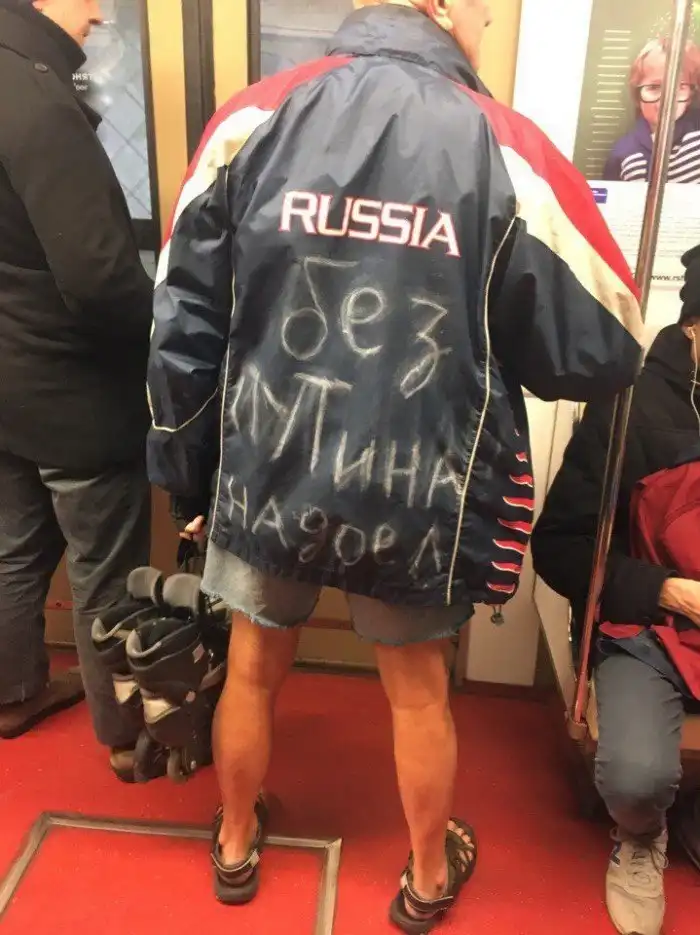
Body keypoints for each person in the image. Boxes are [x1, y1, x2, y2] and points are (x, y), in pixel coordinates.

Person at [147, 0, 643, 928]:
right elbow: (606, 338)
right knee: (418, 694)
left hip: (271, 463)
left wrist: (187, 469)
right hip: (419, 481)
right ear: (444, 7)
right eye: (485, 13)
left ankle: (237, 840)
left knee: (252, 665)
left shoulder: (252, 117)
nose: (486, 28)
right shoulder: (504, 146)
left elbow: (183, 315)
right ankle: (425, 874)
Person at [0, 0, 153, 780]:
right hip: (74, 393)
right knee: (107, 569)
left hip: (8, 381)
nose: (99, 15)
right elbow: (98, 277)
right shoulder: (36, 96)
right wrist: (165, 339)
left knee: (12, 549)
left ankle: (13, 690)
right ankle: (127, 733)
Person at [531, 246, 700, 935]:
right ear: (694, 326)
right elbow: (560, 546)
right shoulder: (629, 405)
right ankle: (641, 833)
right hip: (647, 629)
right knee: (635, 779)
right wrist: (669, 591)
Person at [604, 38, 700, 183]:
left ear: (691, 94)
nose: (667, 100)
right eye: (654, 87)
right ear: (637, 95)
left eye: (680, 87)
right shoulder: (623, 154)